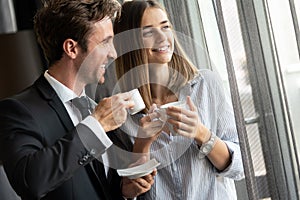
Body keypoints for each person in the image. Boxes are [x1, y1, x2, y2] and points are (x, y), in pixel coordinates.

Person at [0, 0, 155, 199]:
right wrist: (96, 126)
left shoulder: (94, 108)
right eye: (105, 43)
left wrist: (124, 191)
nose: (113, 53)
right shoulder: (17, 110)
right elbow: (31, 181)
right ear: (71, 48)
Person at [112, 0, 244, 199]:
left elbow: (239, 167)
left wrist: (201, 133)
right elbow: (127, 191)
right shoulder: (121, 113)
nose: (162, 37)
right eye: (148, 32)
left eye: (165, 27)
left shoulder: (206, 85)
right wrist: (141, 146)